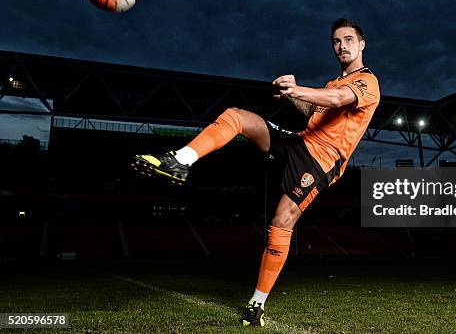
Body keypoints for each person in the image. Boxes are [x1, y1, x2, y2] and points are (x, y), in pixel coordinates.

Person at [130, 18, 380, 326]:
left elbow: (338, 100)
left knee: (282, 221)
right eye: (336, 41)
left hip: (321, 162)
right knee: (236, 117)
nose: (341, 45)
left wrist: (298, 89)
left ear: (361, 44)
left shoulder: (367, 82)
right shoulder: (331, 83)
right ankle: (179, 160)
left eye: (348, 40)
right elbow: (316, 113)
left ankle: (256, 304)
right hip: (299, 143)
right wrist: (290, 95)